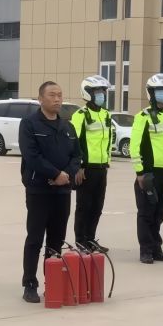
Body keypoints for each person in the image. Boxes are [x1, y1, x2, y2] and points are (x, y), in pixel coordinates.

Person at [19, 81, 81, 303]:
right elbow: (31, 156)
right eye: (52, 95)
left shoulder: (67, 127)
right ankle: (29, 284)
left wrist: (66, 175)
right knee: (35, 238)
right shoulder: (29, 124)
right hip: (39, 190)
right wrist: (55, 174)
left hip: (62, 191)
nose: (57, 99)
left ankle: (52, 282)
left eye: (60, 95)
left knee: (56, 239)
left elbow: (77, 156)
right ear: (40, 99)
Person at [130, 74, 163, 264]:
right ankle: (146, 250)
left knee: (159, 213)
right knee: (146, 213)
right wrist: (140, 172)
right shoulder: (142, 117)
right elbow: (134, 146)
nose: (162, 94)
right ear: (151, 93)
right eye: (159, 91)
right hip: (149, 174)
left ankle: (156, 248)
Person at [70, 75, 113, 252]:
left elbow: (108, 141)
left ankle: (91, 239)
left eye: (103, 91)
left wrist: (107, 162)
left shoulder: (106, 114)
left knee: (97, 207)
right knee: (84, 207)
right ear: (88, 93)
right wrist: (78, 166)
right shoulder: (80, 115)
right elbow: (74, 141)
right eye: (97, 91)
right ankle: (81, 241)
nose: (101, 94)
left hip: (101, 168)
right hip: (86, 169)